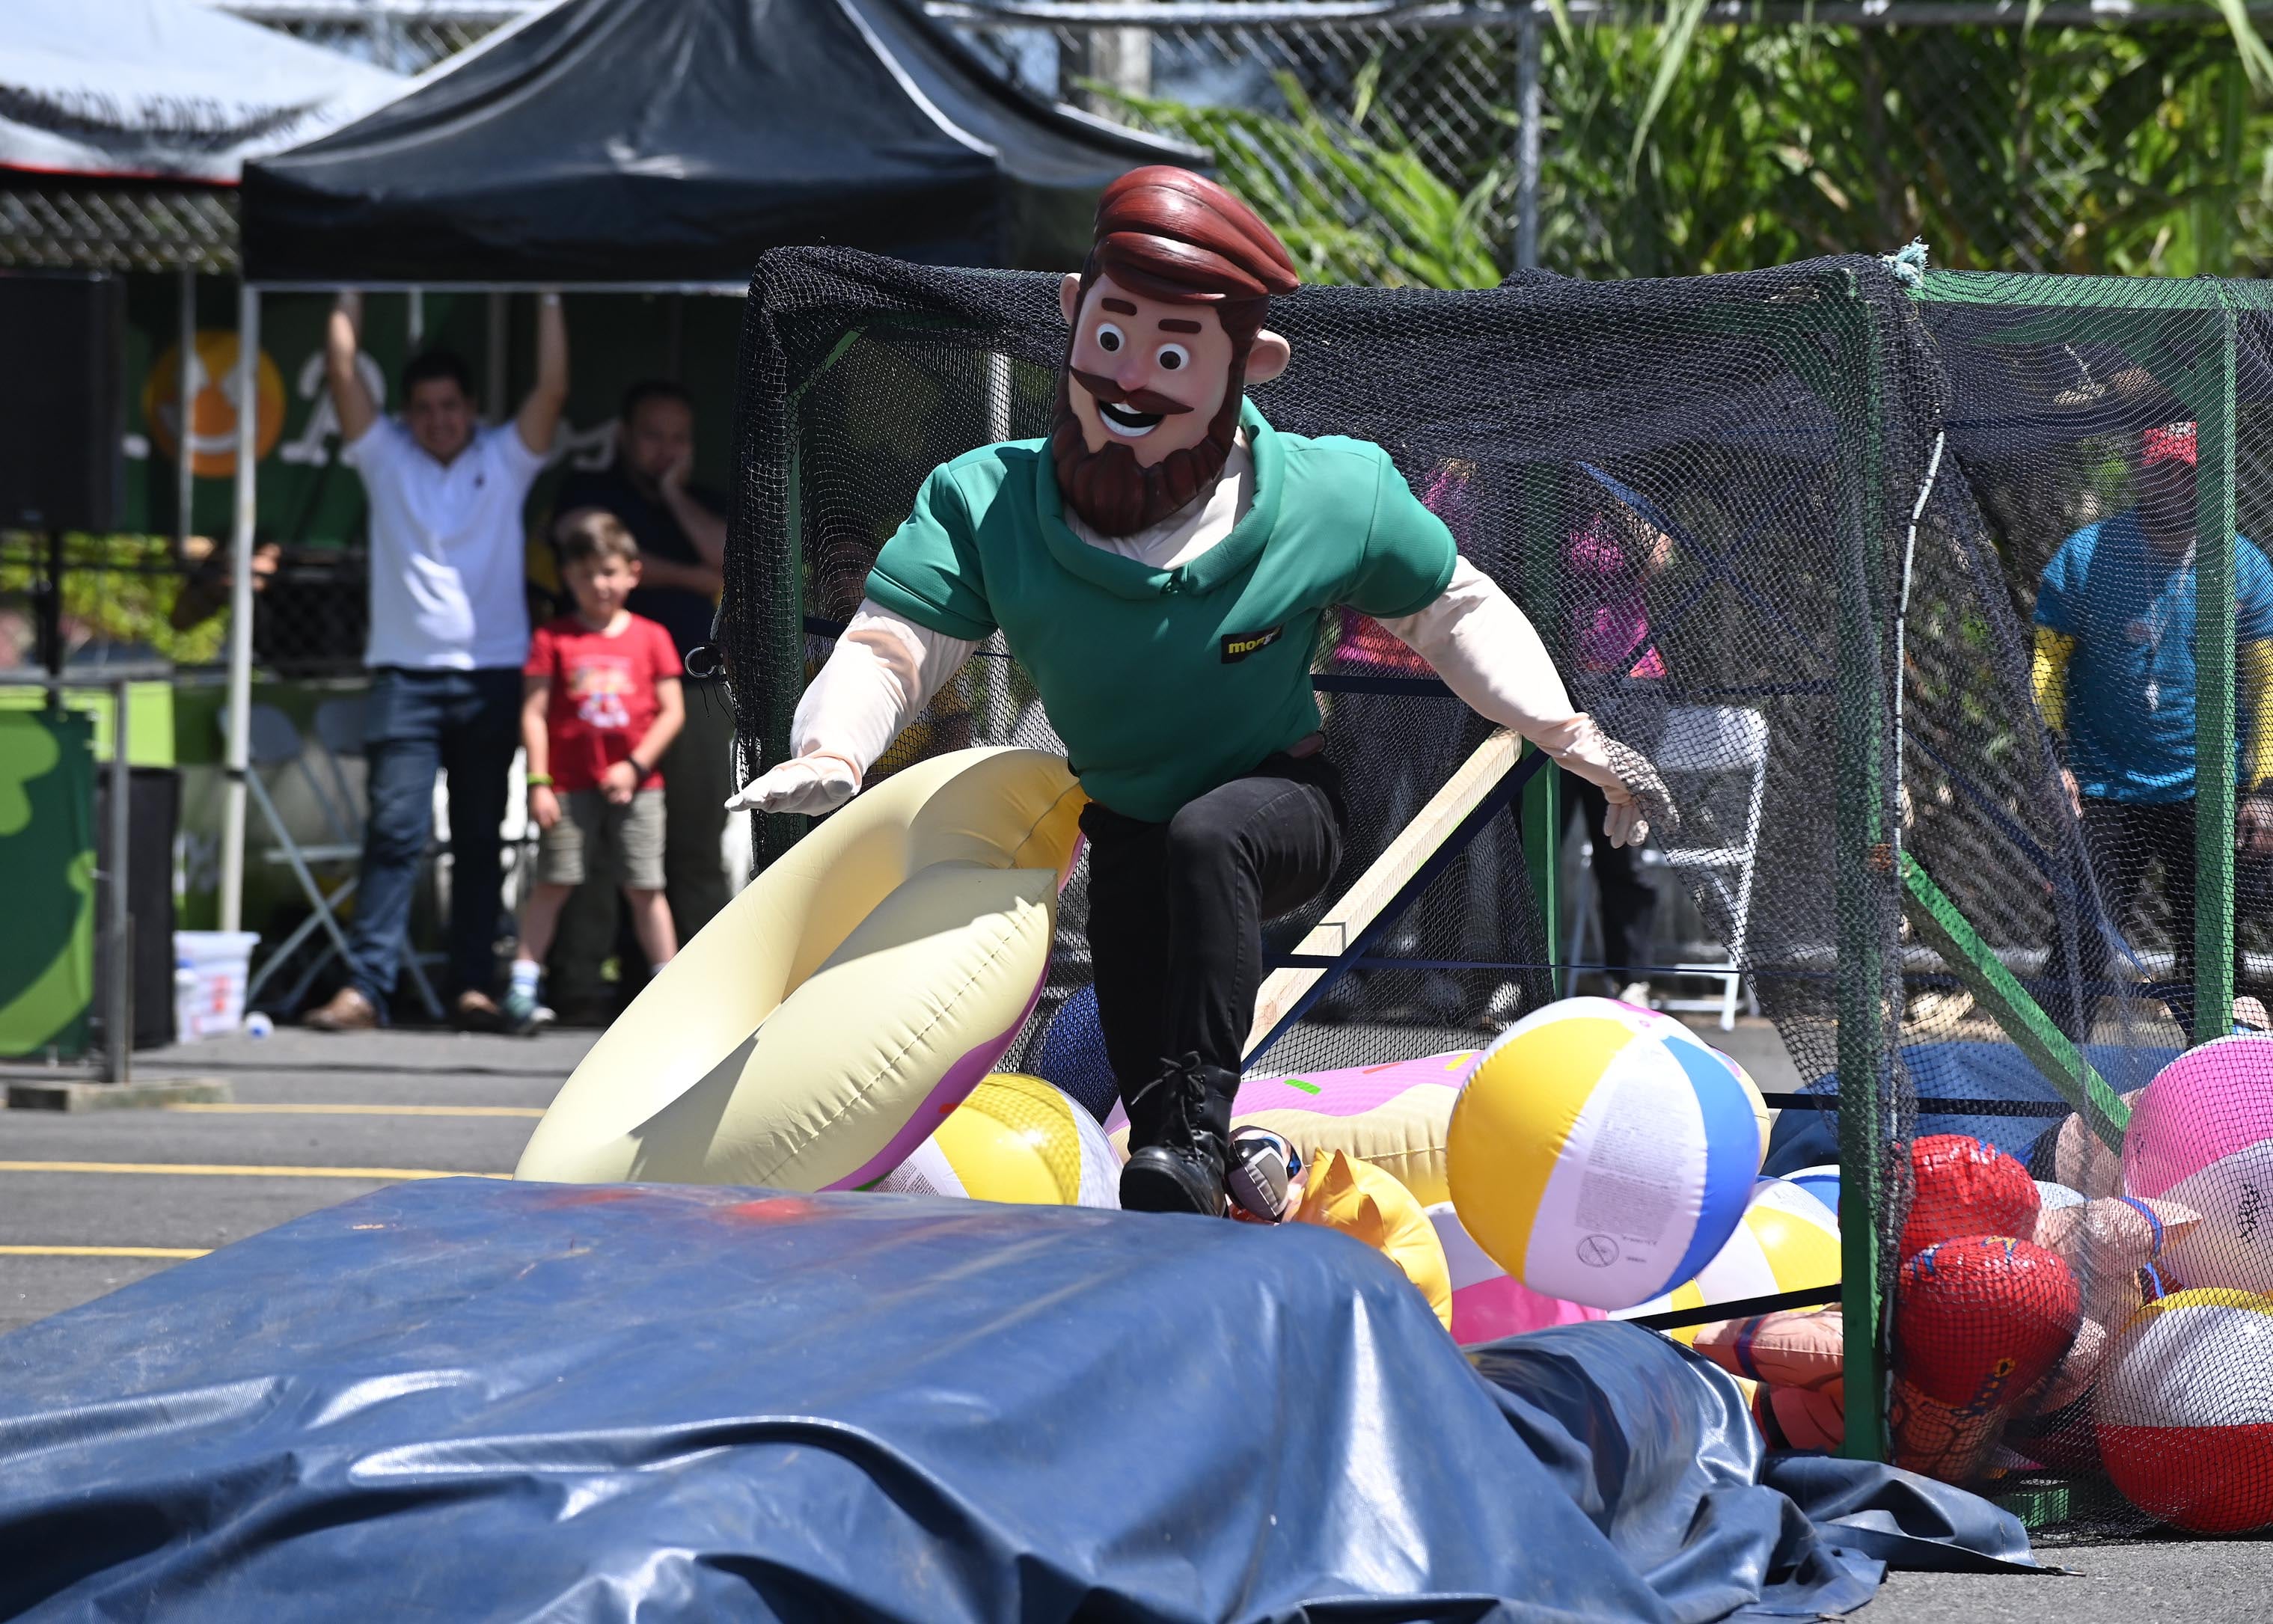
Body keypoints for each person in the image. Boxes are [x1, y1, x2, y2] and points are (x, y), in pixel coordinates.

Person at [727, 167, 1672, 1216]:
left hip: (1281, 804)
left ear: (1248, 365)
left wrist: (1565, 729)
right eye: (1114, 336)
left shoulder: (1327, 490)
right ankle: (1228, 1157)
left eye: (1173, 353)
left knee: (1206, 848)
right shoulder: (987, 498)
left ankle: (1190, 1134)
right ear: (1072, 315)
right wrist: (833, 749)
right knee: (1154, 1087)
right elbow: (894, 644)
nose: (1132, 379)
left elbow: (1453, 605)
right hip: (1124, 823)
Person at [305, 290, 568, 1032]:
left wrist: (547, 291)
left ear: (473, 408)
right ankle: (365, 989)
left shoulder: (504, 460)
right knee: (392, 833)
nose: (437, 419)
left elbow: (552, 389)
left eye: (450, 405)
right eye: (423, 407)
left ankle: (472, 987)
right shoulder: (386, 457)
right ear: (406, 413)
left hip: (490, 679)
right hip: (404, 678)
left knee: (480, 840)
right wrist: (347, 289)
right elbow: (341, 370)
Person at [2034, 420, 2273, 1038]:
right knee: (2080, 942)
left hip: (2206, 787)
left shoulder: (2242, 566)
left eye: (2188, 472)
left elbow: (2267, 683)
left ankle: (2218, 1088)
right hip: (2104, 784)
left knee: (2215, 950)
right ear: (2141, 471)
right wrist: (2052, 760)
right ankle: (2045, 1100)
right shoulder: (2085, 557)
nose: (2174, 483)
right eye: (2162, 468)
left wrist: (2265, 790)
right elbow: (2047, 667)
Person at [550, 382, 734, 1010]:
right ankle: (579, 985)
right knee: (595, 850)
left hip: (696, 689)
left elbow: (728, 562)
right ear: (625, 436)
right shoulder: (590, 490)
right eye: (653, 435)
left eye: (678, 438)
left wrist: (675, 495)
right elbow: (585, 549)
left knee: (695, 844)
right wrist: (691, 576)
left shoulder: (700, 498)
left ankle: (706, 993)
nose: (664, 450)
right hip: (604, 695)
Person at [505, 513, 685, 1033]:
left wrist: (634, 766)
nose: (599, 585)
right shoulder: (552, 638)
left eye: (609, 572)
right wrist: (538, 783)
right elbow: (534, 713)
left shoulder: (652, 637)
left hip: (639, 787)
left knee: (645, 884)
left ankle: (667, 991)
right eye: (586, 575)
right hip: (566, 786)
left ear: (632, 572)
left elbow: (671, 711)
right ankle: (521, 986)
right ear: (567, 578)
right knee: (555, 879)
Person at [1564, 491, 1673, 1007]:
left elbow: (1659, 558)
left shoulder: (1627, 497)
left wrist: (1606, 489)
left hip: (1630, 687)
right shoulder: (1537, 504)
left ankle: (1631, 979)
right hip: (1554, 693)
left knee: (1622, 840)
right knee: (1535, 835)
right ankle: (1520, 978)